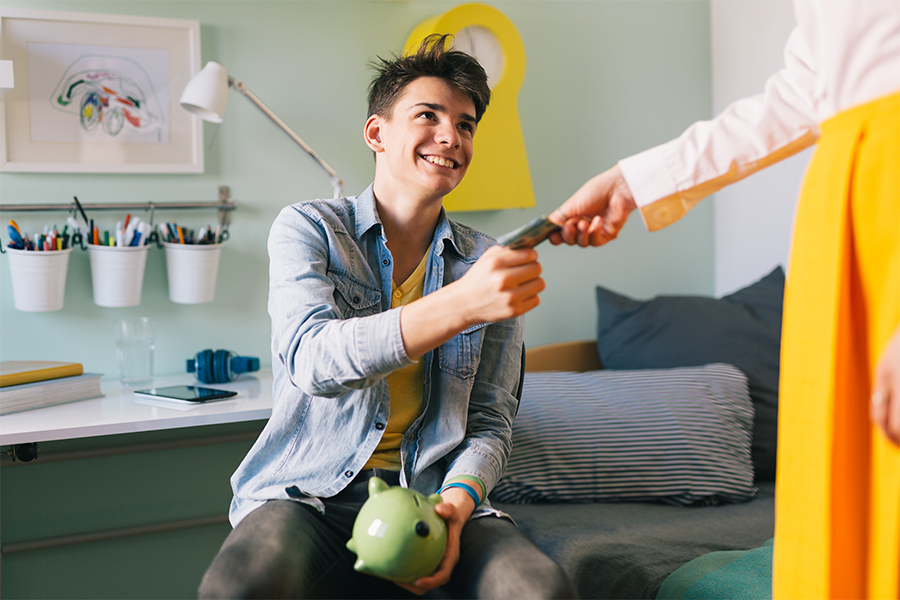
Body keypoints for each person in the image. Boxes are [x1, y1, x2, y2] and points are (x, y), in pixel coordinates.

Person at [198, 34, 577, 600]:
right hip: (308, 497)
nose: (451, 136)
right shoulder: (310, 229)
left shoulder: (487, 260)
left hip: (435, 496)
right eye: (429, 115)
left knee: (536, 589)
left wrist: (455, 506)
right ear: (377, 132)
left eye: (467, 124)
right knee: (239, 588)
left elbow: (492, 421)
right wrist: (461, 304)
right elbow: (311, 360)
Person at [548, 2, 899, 598]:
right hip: (842, 210)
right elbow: (799, 95)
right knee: (843, 501)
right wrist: (635, 181)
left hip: (884, 203)